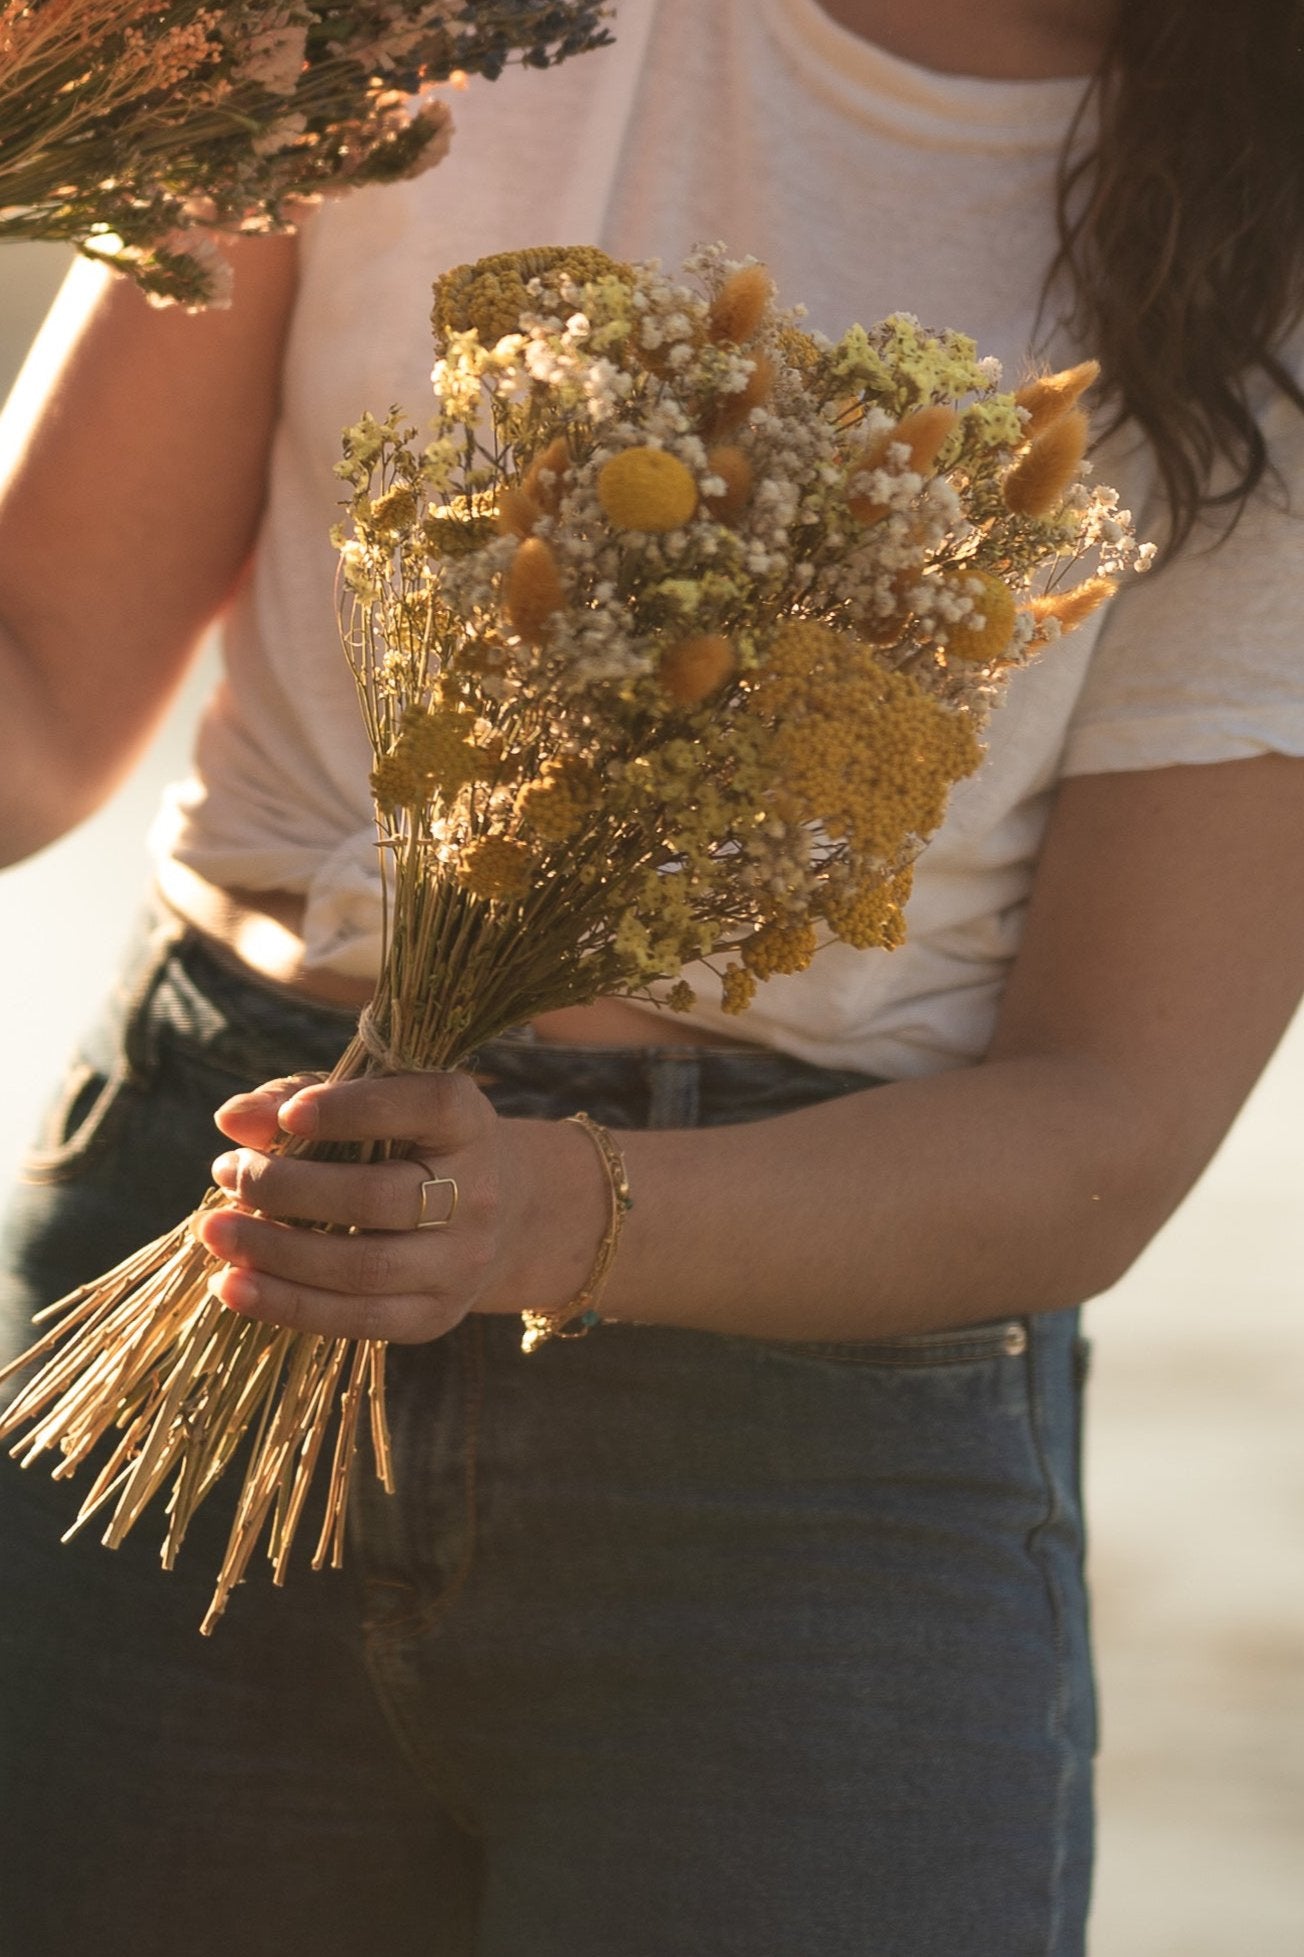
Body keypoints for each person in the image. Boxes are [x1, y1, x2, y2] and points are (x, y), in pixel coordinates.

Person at [2, 0, 1302, 1950]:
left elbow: (1105, 1130)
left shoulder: (1261, 237)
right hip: (199, 1231)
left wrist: (525, 1213)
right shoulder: (384, 29)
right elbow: (34, 711)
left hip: (813, 1463)